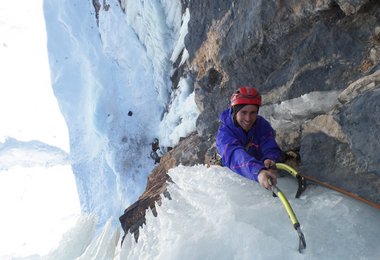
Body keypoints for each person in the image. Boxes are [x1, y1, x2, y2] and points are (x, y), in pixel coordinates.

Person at [216, 86, 283, 189]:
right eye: (243, 112)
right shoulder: (224, 133)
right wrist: (258, 171)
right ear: (234, 111)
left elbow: (269, 145)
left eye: (253, 113)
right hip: (233, 175)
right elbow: (235, 155)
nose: (248, 119)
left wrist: (270, 159)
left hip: (257, 170)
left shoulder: (261, 125)